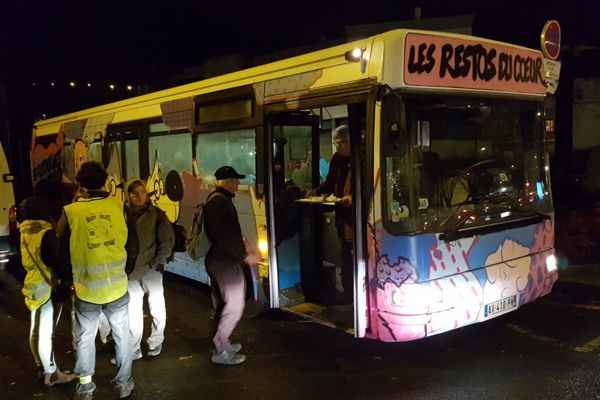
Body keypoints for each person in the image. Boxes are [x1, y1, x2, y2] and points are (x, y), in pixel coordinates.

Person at [56, 161, 134, 400]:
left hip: (86, 289)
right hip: (117, 288)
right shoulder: (119, 206)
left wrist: (67, 280)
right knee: (122, 336)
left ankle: (86, 387)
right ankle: (123, 383)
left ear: (81, 184)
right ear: (104, 180)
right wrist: (125, 270)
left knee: (85, 339)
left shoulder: (71, 212)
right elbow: (132, 244)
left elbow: (62, 250)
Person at [204, 165, 260, 365]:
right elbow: (224, 238)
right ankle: (220, 350)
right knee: (235, 305)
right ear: (227, 182)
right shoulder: (220, 203)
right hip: (224, 263)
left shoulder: (219, 200)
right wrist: (245, 256)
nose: (238, 183)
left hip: (220, 261)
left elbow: (229, 233)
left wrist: (245, 244)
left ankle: (222, 342)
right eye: (236, 180)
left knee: (224, 305)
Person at [19, 196, 77, 387]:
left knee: (35, 329)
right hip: (47, 286)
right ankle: (51, 373)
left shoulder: (25, 231)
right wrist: (67, 280)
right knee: (46, 332)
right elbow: (58, 260)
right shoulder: (46, 233)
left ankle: (41, 366)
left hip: (32, 285)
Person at [122, 179, 174, 359]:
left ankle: (155, 342)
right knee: (132, 311)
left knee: (156, 307)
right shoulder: (122, 214)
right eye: (134, 192)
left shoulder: (157, 215)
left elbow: (166, 241)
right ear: (128, 195)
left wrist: (158, 264)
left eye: (142, 192)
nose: (139, 196)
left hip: (151, 269)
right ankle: (134, 347)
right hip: (131, 271)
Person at [308, 125, 354, 302]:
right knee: (345, 255)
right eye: (336, 143)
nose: (339, 146)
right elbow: (330, 182)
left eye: (343, 142)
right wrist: (319, 192)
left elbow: (369, 187)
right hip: (342, 216)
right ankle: (348, 292)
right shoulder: (337, 159)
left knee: (355, 256)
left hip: (357, 217)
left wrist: (352, 198)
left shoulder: (362, 156)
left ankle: (356, 293)